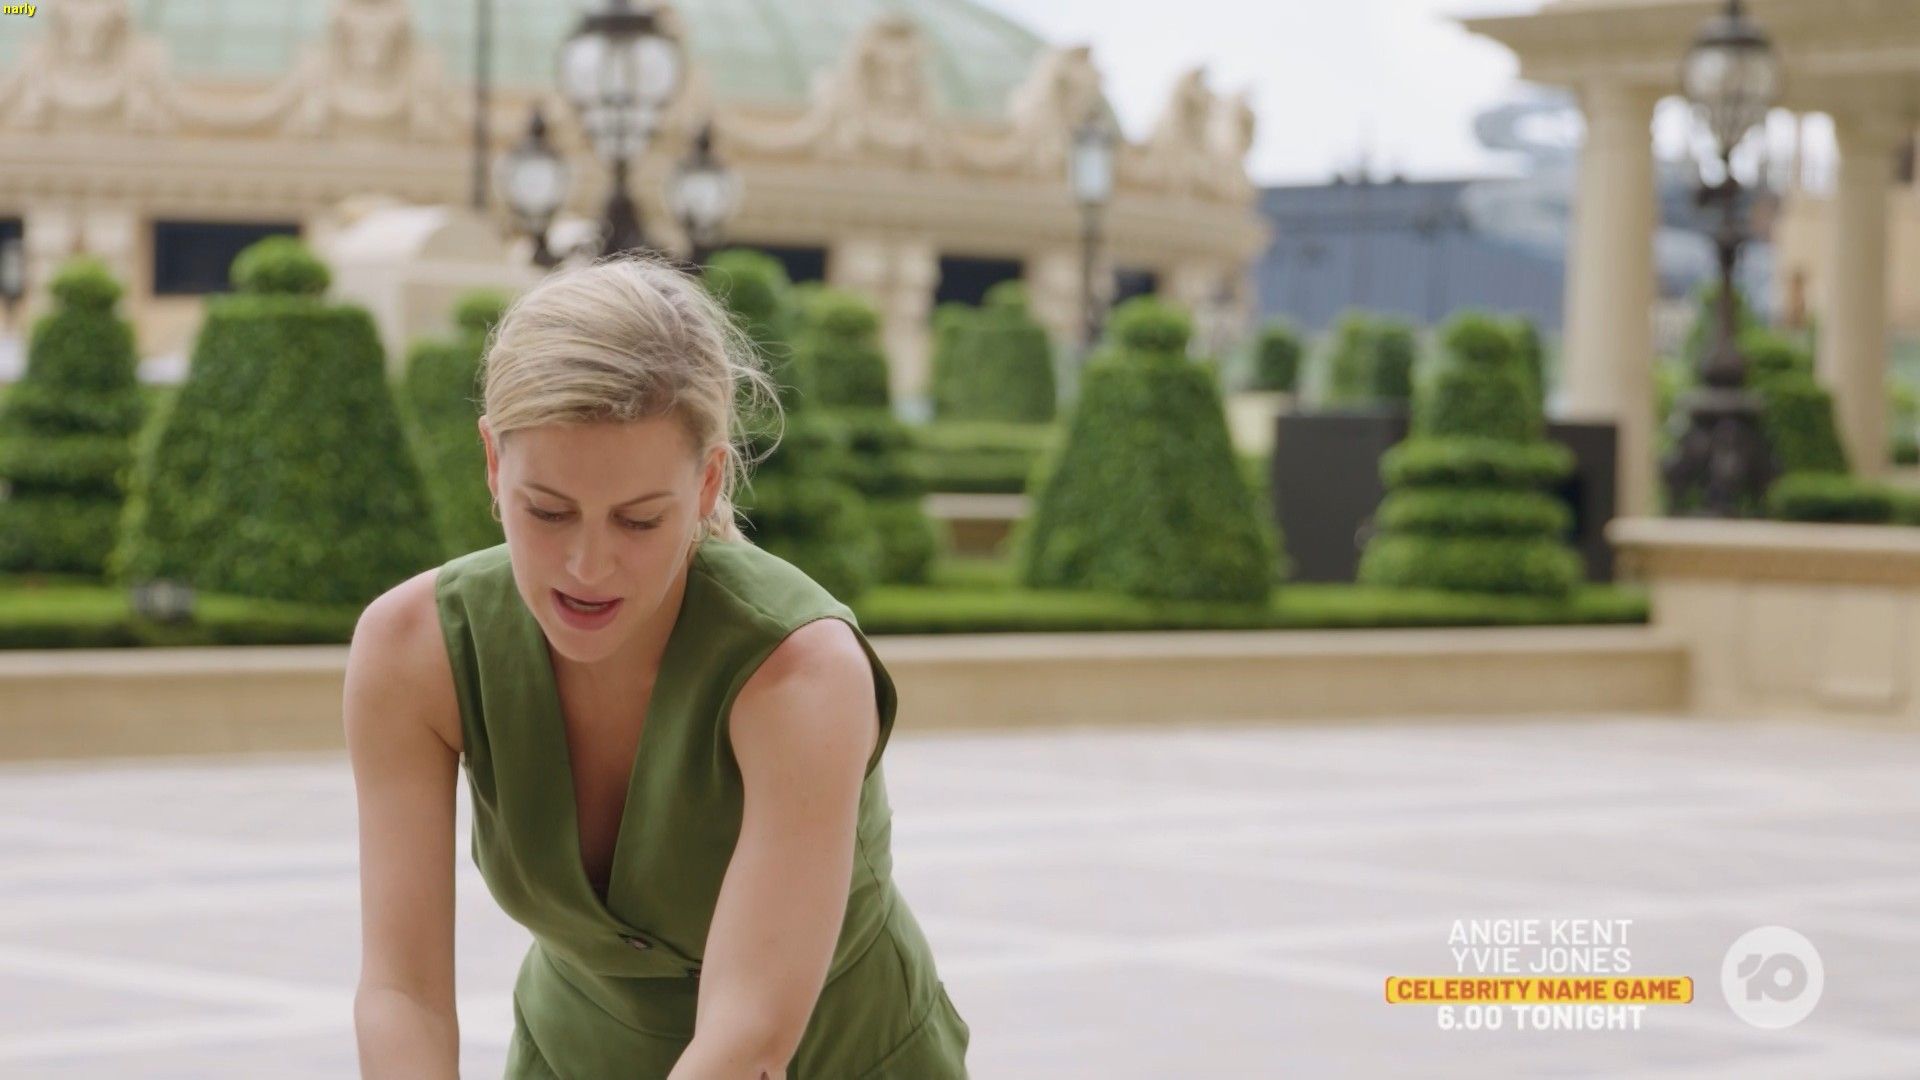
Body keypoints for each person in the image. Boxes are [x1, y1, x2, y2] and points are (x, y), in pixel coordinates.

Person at [343, 253, 971, 1079]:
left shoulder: (802, 671)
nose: (587, 566)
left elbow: (750, 1033)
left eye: (638, 521)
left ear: (708, 483)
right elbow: (403, 993)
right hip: (575, 1056)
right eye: (547, 512)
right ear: (494, 463)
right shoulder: (411, 649)